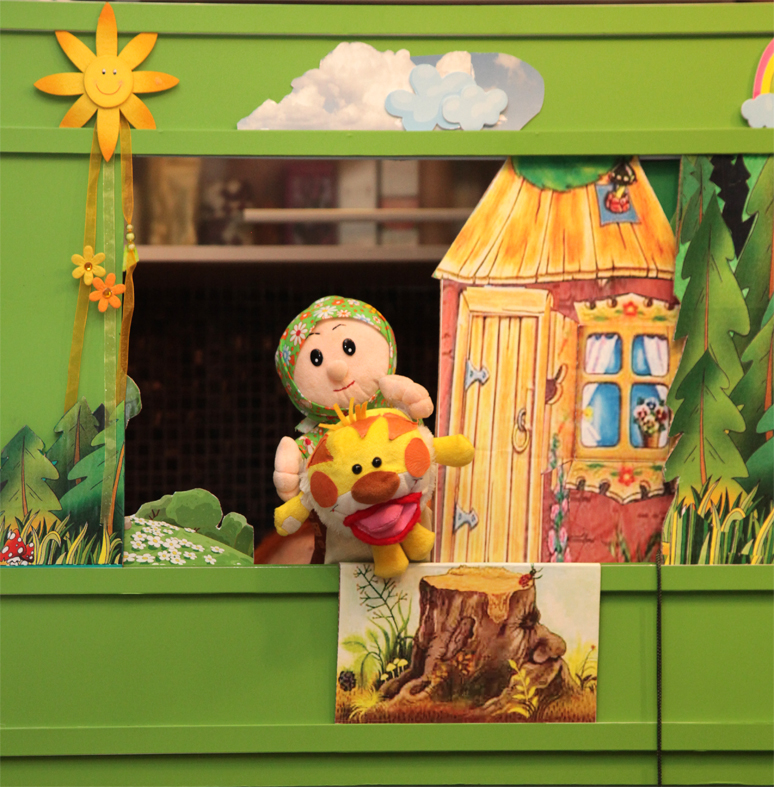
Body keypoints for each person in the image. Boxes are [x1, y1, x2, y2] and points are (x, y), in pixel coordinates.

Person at [274, 296, 433, 502]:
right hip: (348, 513)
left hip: (407, 498)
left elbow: (417, 413)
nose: (337, 369)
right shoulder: (324, 433)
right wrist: (293, 456)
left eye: (348, 347)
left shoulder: (392, 405)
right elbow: (306, 453)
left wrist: (407, 398)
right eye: (316, 359)